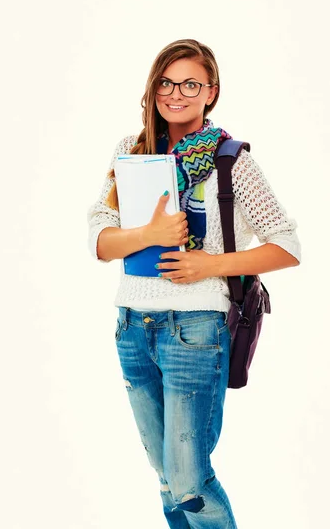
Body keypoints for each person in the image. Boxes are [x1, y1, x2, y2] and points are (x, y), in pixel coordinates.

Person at [87, 38, 301, 528]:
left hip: (196, 329)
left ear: (211, 92)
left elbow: (287, 246)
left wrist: (207, 265)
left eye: (190, 83)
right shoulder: (131, 151)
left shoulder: (231, 161)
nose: (175, 93)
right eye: (166, 81)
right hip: (131, 325)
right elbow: (100, 239)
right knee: (166, 479)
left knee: (189, 481)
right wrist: (147, 235)